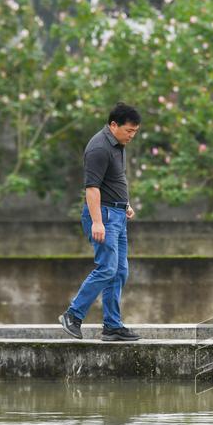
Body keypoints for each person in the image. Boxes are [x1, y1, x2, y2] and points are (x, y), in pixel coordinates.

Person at [59, 103, 142, 341]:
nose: (132, 136)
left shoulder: (118, 144)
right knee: (107, 268)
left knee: (119, 271)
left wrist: (125, 204)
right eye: (129, 131)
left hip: (117, 214)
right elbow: (92, 188)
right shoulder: (99, 147)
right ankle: (73, 315)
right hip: (103, 216)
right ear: (113, 125)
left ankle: (112, 326)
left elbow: (114, 179)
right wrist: (97, 222)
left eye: (135, 131)